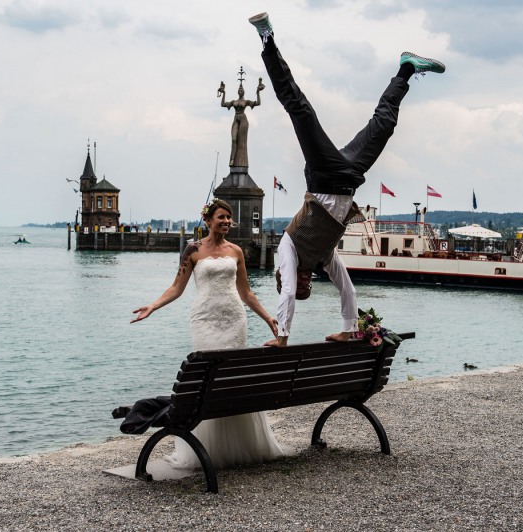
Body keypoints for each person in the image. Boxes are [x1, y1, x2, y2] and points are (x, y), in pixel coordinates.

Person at [248, 12, 445, 347]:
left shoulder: (287, 248)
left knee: (299, 109)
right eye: (308, 288)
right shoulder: (324, 256)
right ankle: (406, 69)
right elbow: (346, 286)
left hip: (323, 175)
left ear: (287, 277)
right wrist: (350, 328)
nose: (306, 286)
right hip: (350, 177)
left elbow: (287, 298)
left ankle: (266, 38)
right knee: (383, 125)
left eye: (301, 286)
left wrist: (282, 336)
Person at [131, 198, 285, 468]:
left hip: (234, 319)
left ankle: (240, 446)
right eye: (222, 217)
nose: (227, 222)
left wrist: (267, 317)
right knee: (207, 378)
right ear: (208, 220)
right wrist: (153, 306)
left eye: (229, 218)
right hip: (204, 320)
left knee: (232, 379)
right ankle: (208, 449)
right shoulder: (193, 249)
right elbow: (176, 288)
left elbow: (246, 292)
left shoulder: (236, 251)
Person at [219, 77, 265, 167]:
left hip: (243, 120)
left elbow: (258, 103)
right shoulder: (234, 102)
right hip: (236, 119)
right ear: (237, 91)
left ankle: (240, 161)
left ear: (244, 92)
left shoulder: (246, 101)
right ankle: (232, 159)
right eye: (239, 89)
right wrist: (223, 93)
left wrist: (258, 92)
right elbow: (223, 104)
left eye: (241, 89)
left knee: (241, 142)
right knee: (233, 139)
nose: (240, 90)